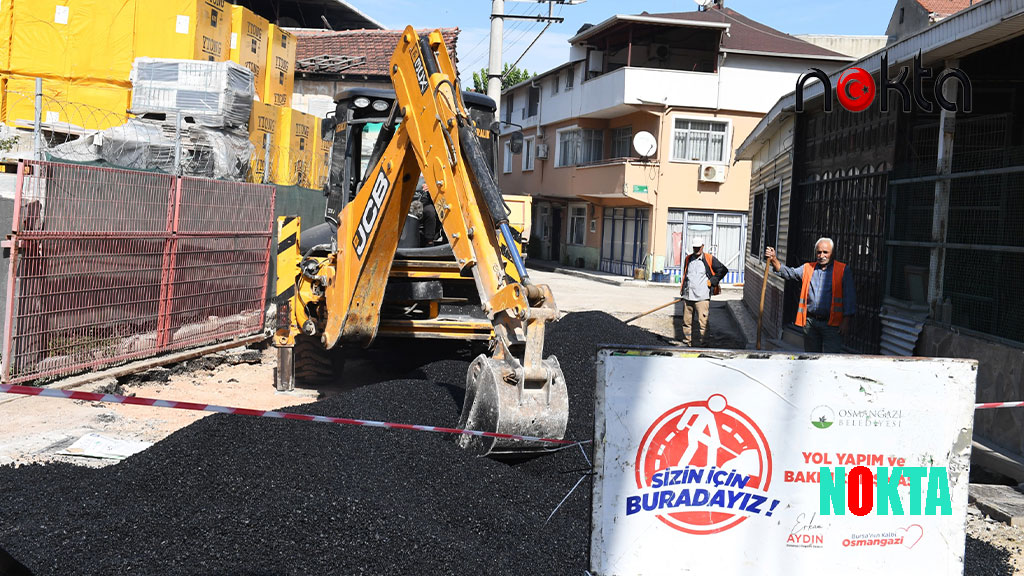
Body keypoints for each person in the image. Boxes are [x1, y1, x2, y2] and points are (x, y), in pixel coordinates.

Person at [764, 238, 856, 353]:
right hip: (811, 323)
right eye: (819, 252)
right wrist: (774, 259)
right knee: (811, 358)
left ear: (832, 253)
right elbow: (789, 273)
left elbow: (849, 297)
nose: (821, 255)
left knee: (831, 359)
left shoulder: (843, 270)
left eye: (825, 252)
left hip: (832, 325)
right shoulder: (808, 268)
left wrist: (846, 321)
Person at [679, 242, 728, 347]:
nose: (696, 250)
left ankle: (704, 345)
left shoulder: (709, 259)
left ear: (702, 246)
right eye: (695, 247)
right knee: (686, 323)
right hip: (688, 296)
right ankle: (687, 343)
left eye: (698, 247)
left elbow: (723, 270)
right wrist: (683, 291)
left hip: (702, 298)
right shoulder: (688, 259)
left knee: (703, 323)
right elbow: (685, 275)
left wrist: (713, 280)